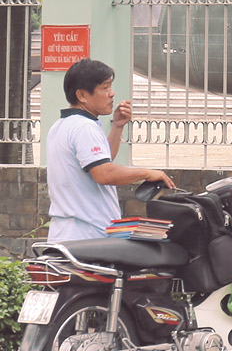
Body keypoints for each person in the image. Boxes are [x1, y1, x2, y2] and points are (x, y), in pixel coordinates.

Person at [46, 59, 173, 242]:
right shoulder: (84, 127)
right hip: (88, 237)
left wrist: (117, 127)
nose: (112, 94)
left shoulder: (61, 125)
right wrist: (147, 173)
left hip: (66, 235)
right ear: (82, 95)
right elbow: (104, 173)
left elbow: (100, 160)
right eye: (105, 88)